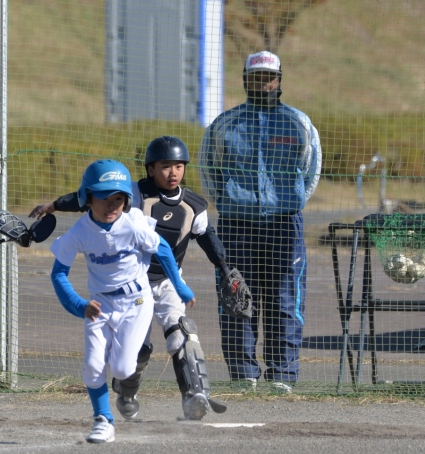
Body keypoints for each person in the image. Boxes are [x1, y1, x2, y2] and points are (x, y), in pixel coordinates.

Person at [31, 136, 232, 420]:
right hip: (135, 283)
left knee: (181, 331)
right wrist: (54, 205)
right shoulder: (136, 194)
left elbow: (207, 238)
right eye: (165, 166)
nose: (172, 172)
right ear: (150, 169)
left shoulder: (195, 205)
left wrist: (224, 268)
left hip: (168, 279)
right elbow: (91, 199)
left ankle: (194, 395)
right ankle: (127, 391)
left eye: (178, 166)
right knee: (139, 349)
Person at [198, 51, 322, 391]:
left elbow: (310, 171)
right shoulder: (224, 124)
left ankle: (282, 375)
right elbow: (209, 170)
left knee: (285, 300)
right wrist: (229, 202)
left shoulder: (298, 123)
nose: (262, 82)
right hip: (236, 225)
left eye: (269, 76)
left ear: (279, 80)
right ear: (244, 79)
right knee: (238, 297)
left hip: (284, 224)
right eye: (255, 77)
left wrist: (290, 203)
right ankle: (243, 375)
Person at [49, 159, 196, 443]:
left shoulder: (133, 224)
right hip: (99, 305)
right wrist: (79, 305)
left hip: (136, 301)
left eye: (118, 198)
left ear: (126, 200)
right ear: (87, 198)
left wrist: (180, 287)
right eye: (103, 198)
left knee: (122, 369)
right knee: (93, 367)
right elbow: (58, 274)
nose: (111, 205)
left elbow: (163, 249)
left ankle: (123, 378)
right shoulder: (80, 231)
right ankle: (103, 420)